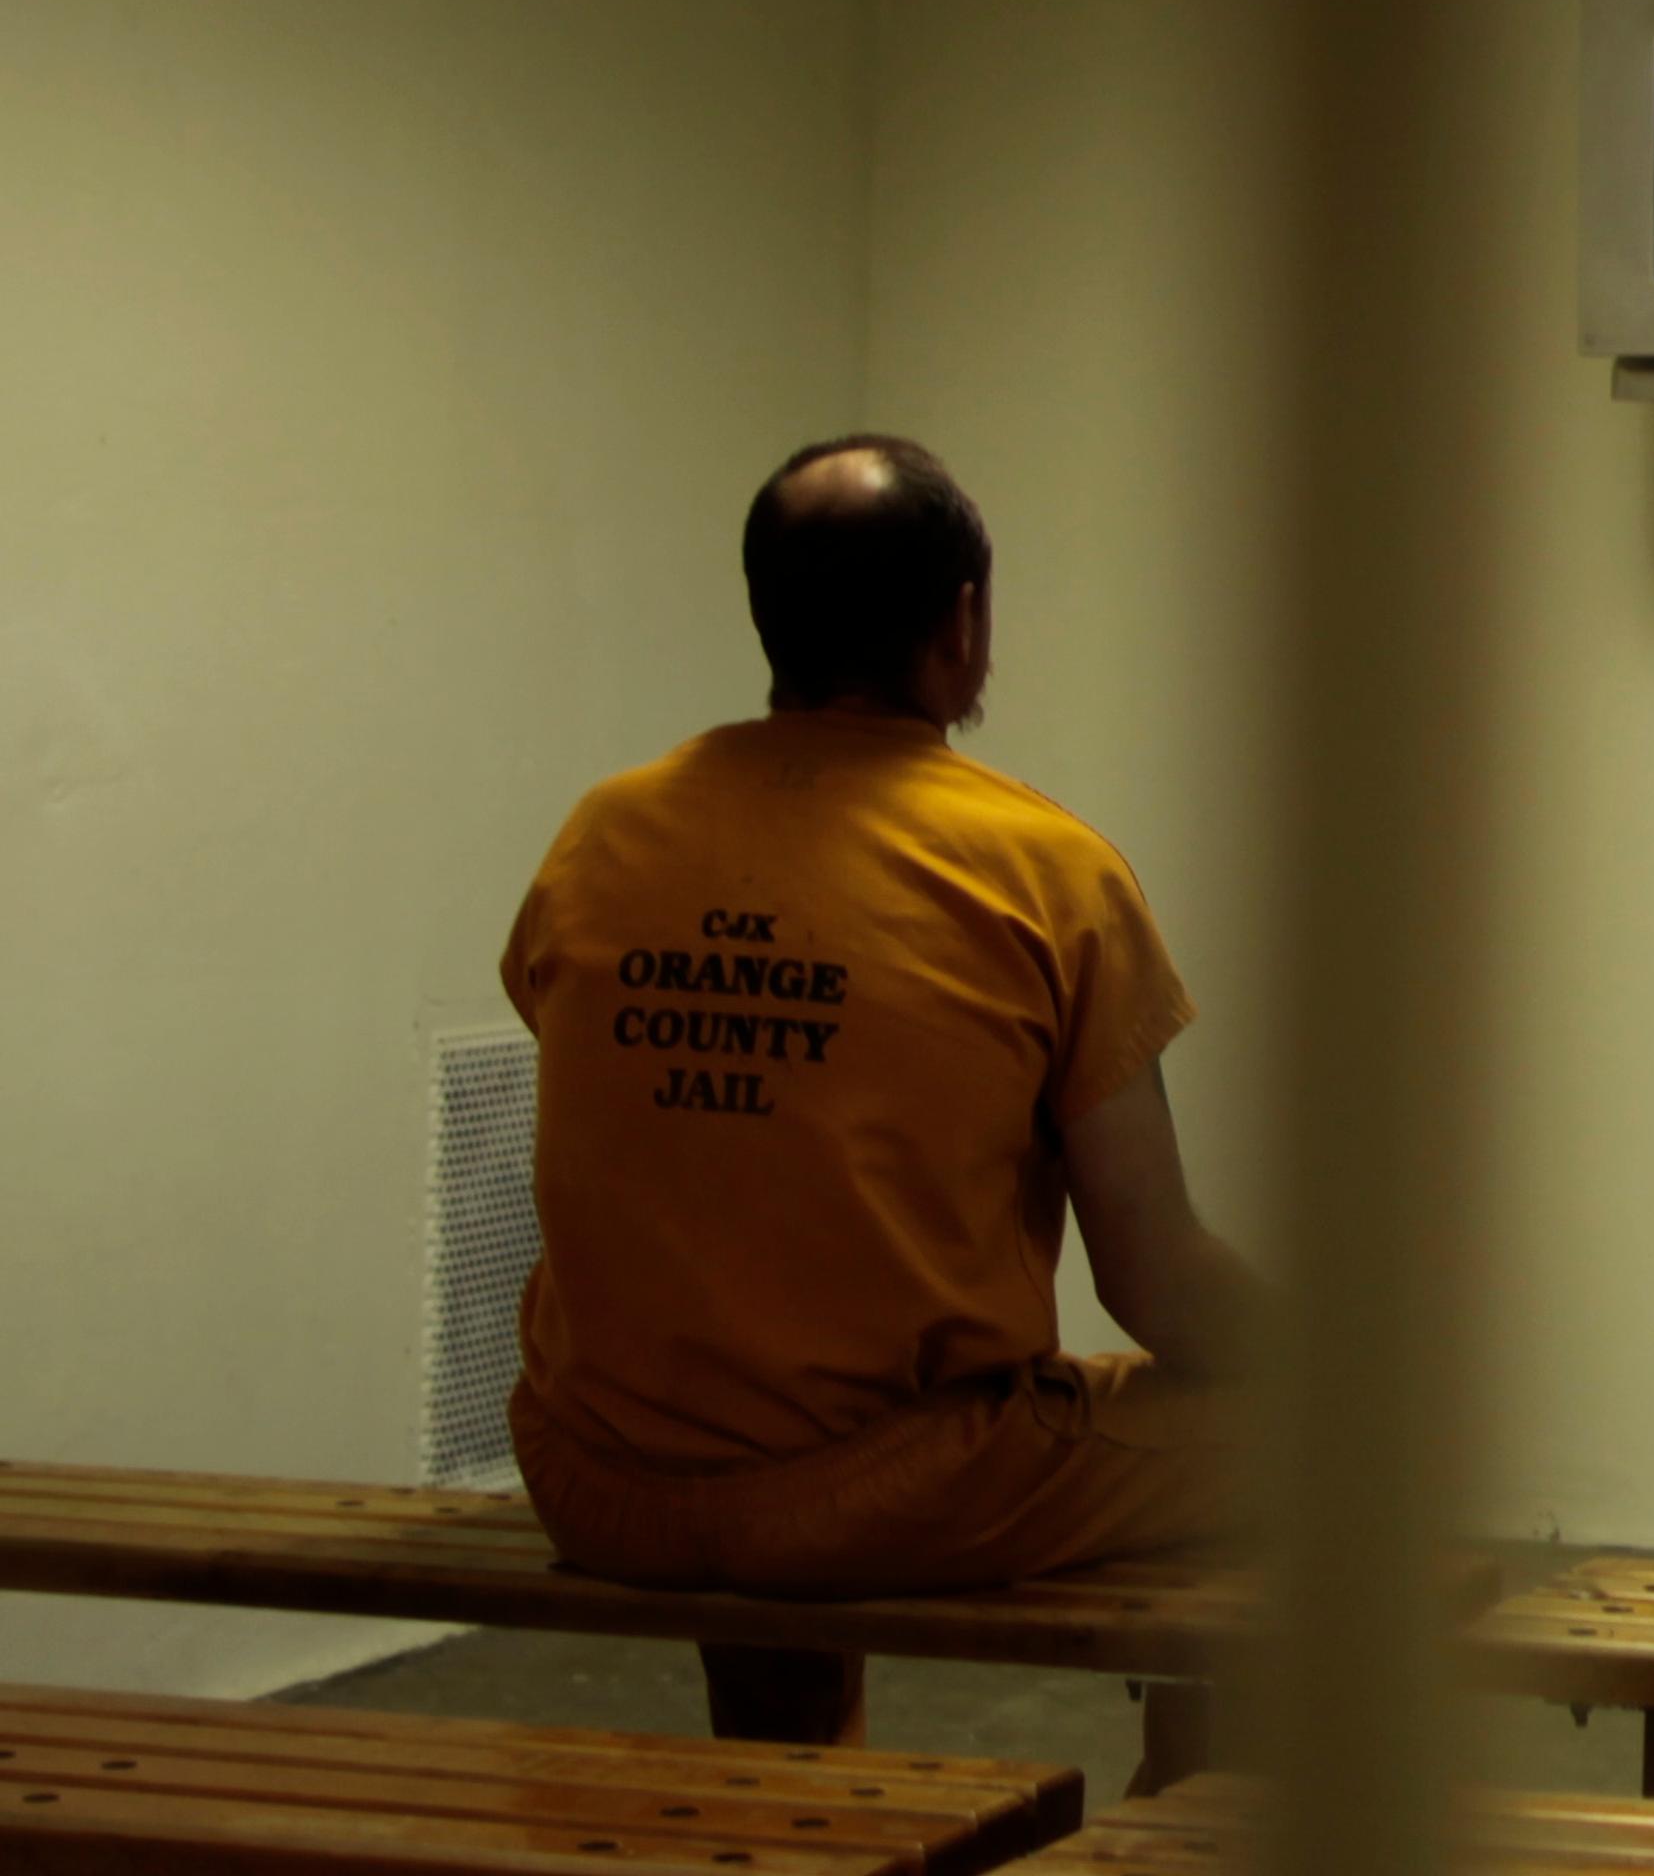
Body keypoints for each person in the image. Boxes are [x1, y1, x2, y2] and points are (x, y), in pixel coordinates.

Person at [497, 435, 1262, 1752]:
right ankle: (1182, 1825)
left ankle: (793, 1810)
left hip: (596, 1473)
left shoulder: (603, 832)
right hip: (881, 1497)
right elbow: (1154, 1273)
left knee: (777, 1429)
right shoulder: (1044, 870)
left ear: (768, 617)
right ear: (961, 624)